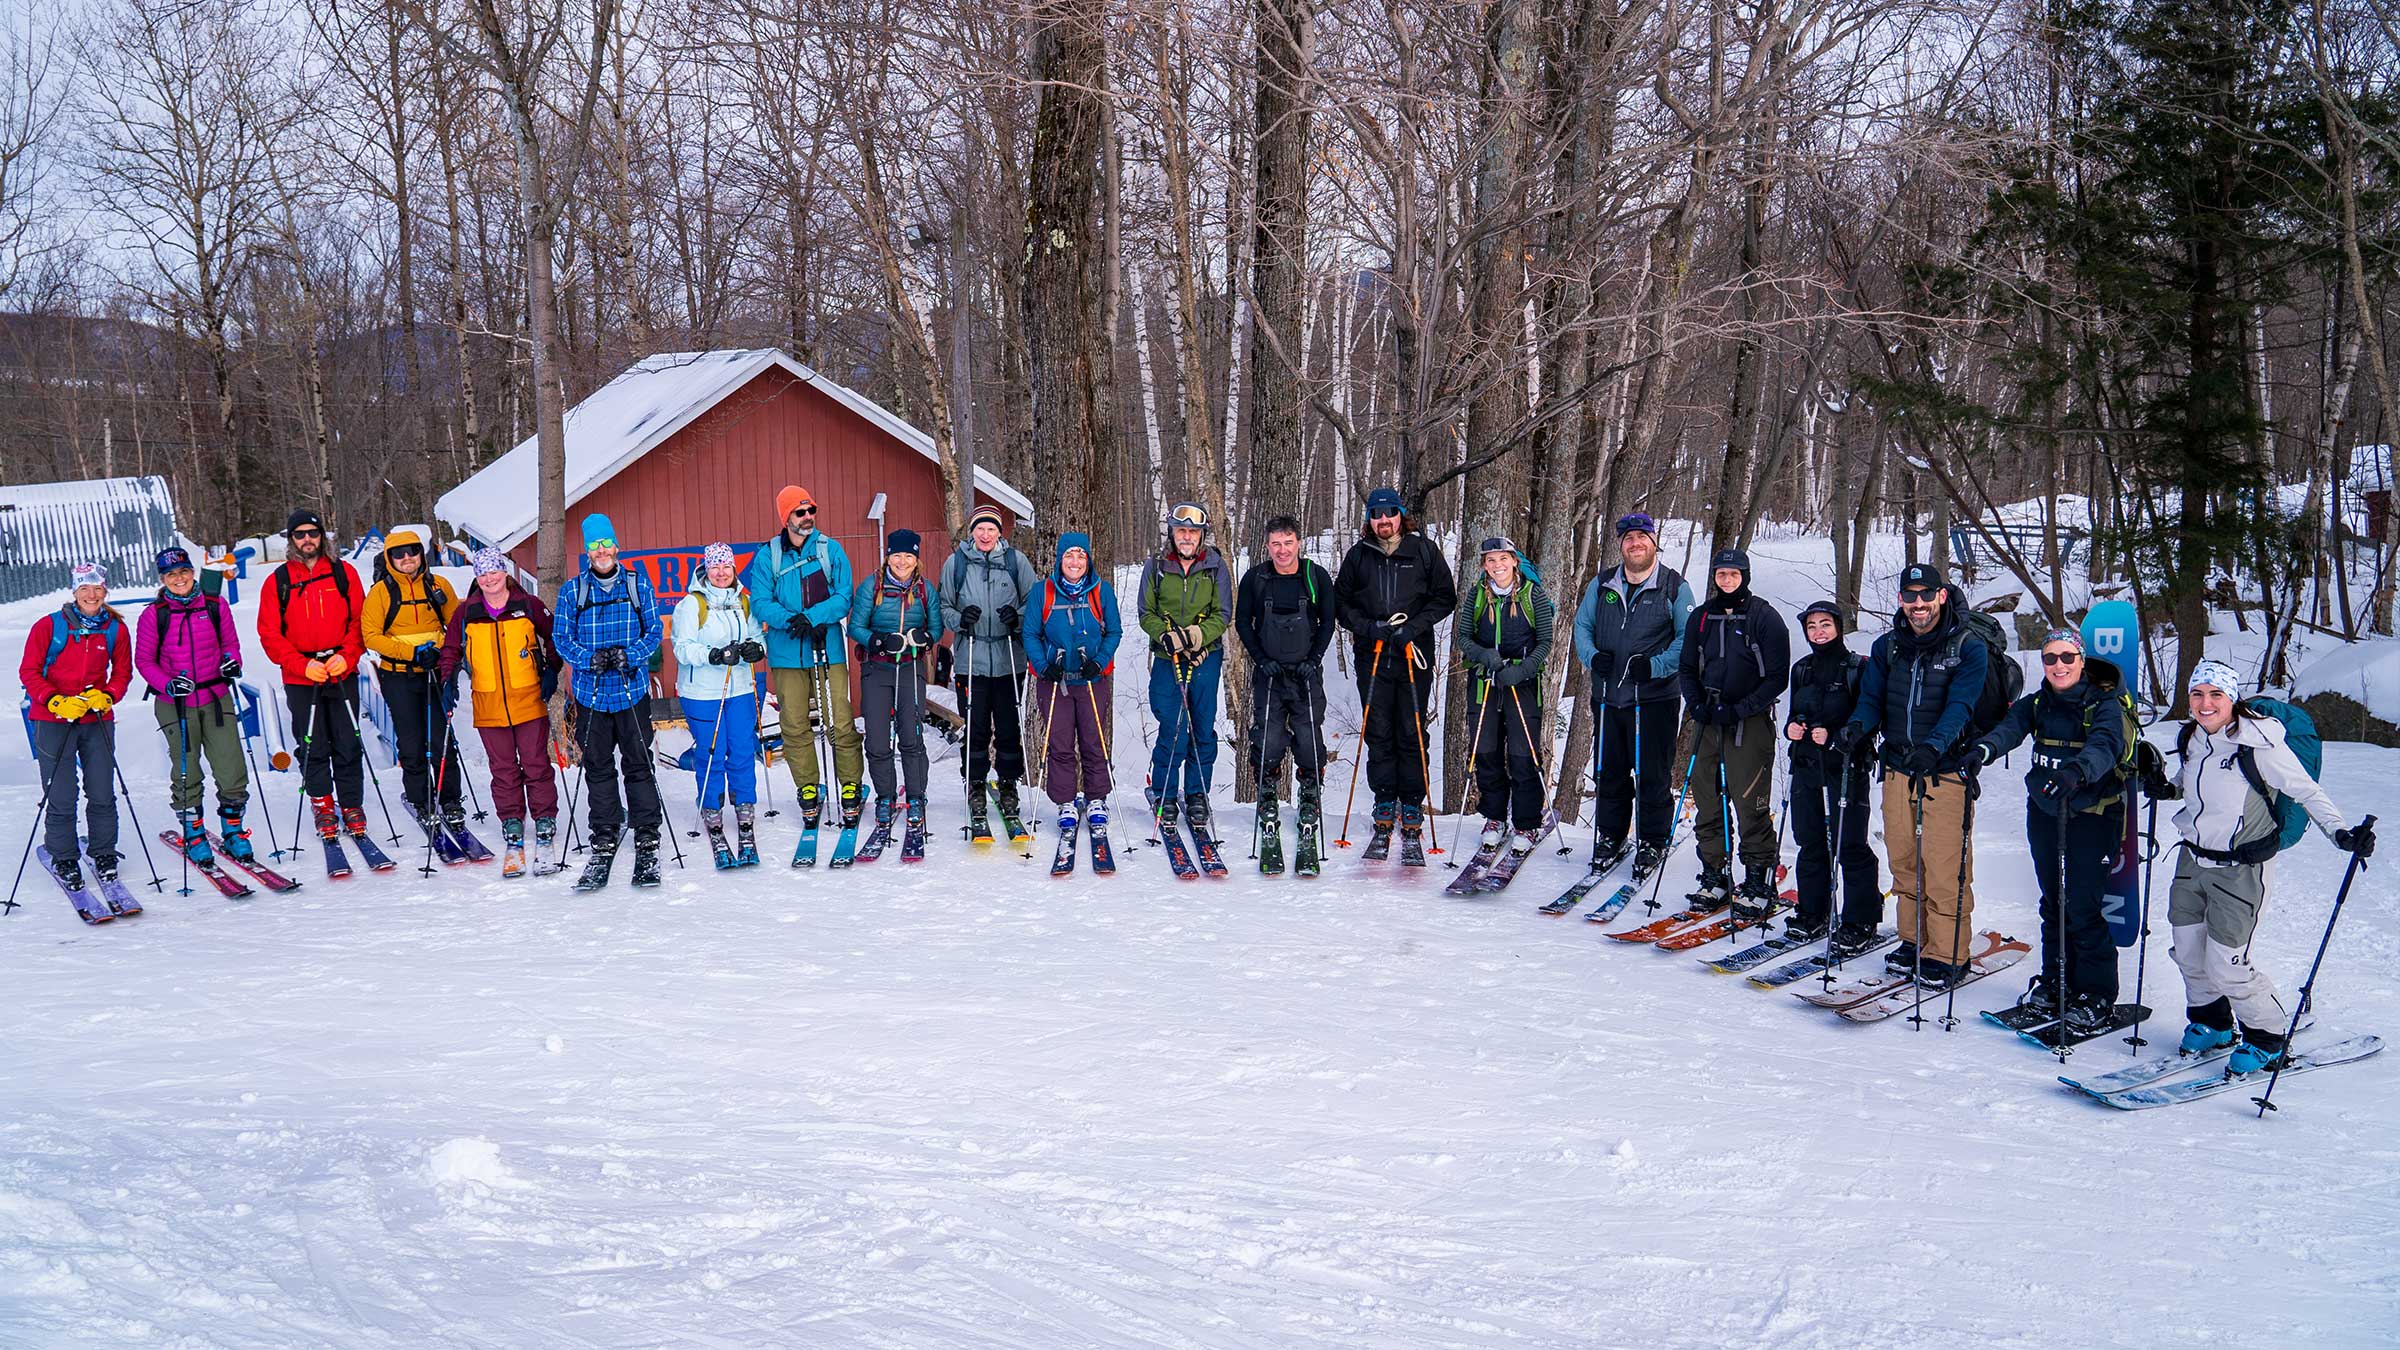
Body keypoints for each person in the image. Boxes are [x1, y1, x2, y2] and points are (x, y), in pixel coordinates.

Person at [2141, 660, 2370, 1074]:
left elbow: (2307, 791)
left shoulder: (2258, 745)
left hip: (2240, 868)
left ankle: (2267, 1037)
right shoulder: (2193, 735)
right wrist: (2168, 787)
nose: (2205, 703)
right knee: (2189, 953)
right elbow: (2196, 784)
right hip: (2192, 860)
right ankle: (2212, 1024)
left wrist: (2341, 834)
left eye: (2216, 695)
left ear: (2232, 699)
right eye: (2198, 694)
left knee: (2226, 964)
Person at [1969, 628, 2133, 1036]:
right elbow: (2010, 728)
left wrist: (2076, 772)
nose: (2058, 665)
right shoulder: (2039, 702)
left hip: (2092, 814)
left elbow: (2106, 744)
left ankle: (2096, 994)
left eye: (2066, 657)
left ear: (2081, 661)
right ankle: (2056, 981)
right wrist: (1982, 752)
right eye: (2050, 658)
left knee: (2081, 904)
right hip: (2045, 810)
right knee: (2053, 902)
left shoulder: (2103, 703)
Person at [1835, 563, 1991, 989]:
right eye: (1910, 596)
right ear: (1901, 600)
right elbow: (1871, 699)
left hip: (1943, 772)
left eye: (1926, 596)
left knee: (1943, 866)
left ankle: (1948, 952)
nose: (1918, 605)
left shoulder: (1967, 647)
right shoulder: (1889, 647)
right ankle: (1913, 939)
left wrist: (1934, 746)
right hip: (1898, 771)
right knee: (1904, 863)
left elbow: (1961, 705)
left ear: (1941, 596)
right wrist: (1856, 727)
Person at [1333, 487, 1458, 853]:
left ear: (1401, 515)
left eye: (1389, 513)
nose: (1383, 520)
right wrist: (1370, 627)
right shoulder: (1358, 556)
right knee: (1379, 730)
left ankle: (1412, 801)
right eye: (1376, 514)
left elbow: (1444, 597)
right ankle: (1384, 799)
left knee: (1412, 729)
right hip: (1371, 653)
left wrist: (1414, 627)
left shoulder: (1422, 550)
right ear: (1369, 520)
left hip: (1412, 652)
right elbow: (1341, 604)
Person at [1570, 512, 1693, 877]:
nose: (1635, 543)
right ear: (1620, 544)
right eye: (1628, 538)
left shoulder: (1674, 586)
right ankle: (1611, 836)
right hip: (1609, 696)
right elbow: (1582, 626)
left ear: (1653, 542)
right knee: (1609, 772)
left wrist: (1656, 666)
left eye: (1642, 537)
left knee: (1652, 774)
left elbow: (1688, 639)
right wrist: (1593, 658)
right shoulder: (1604, 582)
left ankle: (1653, 840)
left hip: (1654, 698)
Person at [549, 512, 667, 885]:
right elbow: (561, 638)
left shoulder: (636, 584)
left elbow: (654, 630)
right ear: (587, 551)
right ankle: (605, 828)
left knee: (638, 762)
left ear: (616, 546)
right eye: (594, 546)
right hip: (592, 693)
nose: (601, 551)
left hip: (631, 691)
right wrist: (588, 659)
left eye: (606, 544)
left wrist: (629, 656)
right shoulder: (573, 591)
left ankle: (646, 827)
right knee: (597, 765)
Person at [743, 485, 864, 834]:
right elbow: (761, 601)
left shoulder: (830, 550)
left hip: (827, 649)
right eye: (800, 512)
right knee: (794, 725)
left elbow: (844, 596)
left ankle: (850, 785)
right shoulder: (769, 556)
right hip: (785, 653)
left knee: (839, 721)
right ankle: (808, 787)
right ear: (786, 517)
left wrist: (812, 618)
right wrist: (790, 620)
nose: (808, 517)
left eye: (811, 510)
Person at [1677, 547, 1790, 918]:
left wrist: (1741, 708)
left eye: (1733, 574)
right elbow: (1687, 666)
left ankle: (1758, 879)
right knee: (1708, 798)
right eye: (1721, 575)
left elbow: (1777, 677)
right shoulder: (1703, 617)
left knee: (1749, 800)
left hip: (1748, 720)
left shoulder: (1764, 617)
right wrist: (1695, 704)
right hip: (1709, 717)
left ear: (1745, 575)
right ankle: (1715, 874)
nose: (1726, 580)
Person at [438, 548, 560, 876]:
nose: (490, 579)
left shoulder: (529, 605)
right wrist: (447, 679)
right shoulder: (466, 613)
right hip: (488, 703)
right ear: (476, 578)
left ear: (505, 573)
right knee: (503, 768)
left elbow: (554, 639)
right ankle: (512, 821)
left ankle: (545, 817)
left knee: (536, 763)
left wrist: (551, 670)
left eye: (494, 572)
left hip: (529, 699)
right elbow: (450, 650)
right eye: (483, 574)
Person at [255, 509, 370, 846]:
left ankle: (351, 804)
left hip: (339, 669)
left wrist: (346, 657)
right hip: (302, 675)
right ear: (291, 540)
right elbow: (269, 634)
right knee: (312, 744)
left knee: (347, 741)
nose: (308, 540)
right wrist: (299, 664)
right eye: (300, 534)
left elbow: (359, 621)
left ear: (322, 536)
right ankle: (322, 803)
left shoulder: (342, 572)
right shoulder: (278, 580)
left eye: (313, 533)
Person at [135, 546, 253, 865]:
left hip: (215, 696)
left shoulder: (215, 605)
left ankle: (233, 830)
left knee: (231, 767)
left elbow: (230, 644)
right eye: (171, 574)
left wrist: (231, 662)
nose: (179, 579)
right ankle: (194, 832)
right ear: (163, 578)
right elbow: (144, 661)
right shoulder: (153, 614)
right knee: (186, 769)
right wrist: (169, 684)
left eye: (184, 571)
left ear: (192, 572)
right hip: (175, 702)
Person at [20, 562, 133, 890]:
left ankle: (103, 851)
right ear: (74, 591)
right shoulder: (48, 627)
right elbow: (29, 671)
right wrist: (53, 700)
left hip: (95, 718)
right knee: (61, 791)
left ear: (105, 590)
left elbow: (123, 673)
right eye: (84, 588)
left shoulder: (114, 628)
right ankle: (64, 854)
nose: (91, 594)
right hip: (53, 718)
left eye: (97, 588)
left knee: (100, 788)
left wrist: (108, 696)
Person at [1234, 515, 1338, 846]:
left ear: (1299, 543)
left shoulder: (1315, 576)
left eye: (1288, 543)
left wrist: (1315, 659)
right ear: (1268, 545)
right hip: (1270, 673)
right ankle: (1267, 791)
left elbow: (1328, 621)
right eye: (1276, 544)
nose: (1282, 550)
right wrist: (1260, 660)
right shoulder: (1256, 578)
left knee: (1308, 735)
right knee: (1270, 736)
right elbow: (1242, 623)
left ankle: (1309, 790)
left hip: (1306, 672)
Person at [1453, 536, 1557, 862]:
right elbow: (1463, 637)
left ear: (1514, 561)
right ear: (1484, 565)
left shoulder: (1531, 594)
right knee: (1485, 751)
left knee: (1523, 754)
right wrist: (1484, 655)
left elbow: (1545, 641)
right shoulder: (1477, 595)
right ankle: (1494, 817)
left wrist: (1523, 669)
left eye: (1503, 559)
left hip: (1522, 684)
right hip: (1485, 682)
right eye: (1490, 560)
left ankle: (1526, 823)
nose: (1497, 566)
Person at [1782, 600, 1878, 952]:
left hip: (1845, 768)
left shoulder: (1857, 668)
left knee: (1848, 843)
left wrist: (1837, 735)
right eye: (1812, 626)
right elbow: (1794, 712)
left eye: (1825, 624)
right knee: (1809, 840)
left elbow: (1869, 717)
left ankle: (1859, 919)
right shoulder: (1802, 668)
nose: (1818, 632)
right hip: (1807, 765)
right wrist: (1792, 729)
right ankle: (1813, 911)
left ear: (1838, 627)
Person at [939, 504, 1040, 835]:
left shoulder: (1015, 562)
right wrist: (959, 619)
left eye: (991, 529)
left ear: (1000, 532)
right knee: (976, 724)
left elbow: (1034, 601)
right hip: (972, 655)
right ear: (972, 532)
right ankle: (976, 783)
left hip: (1010, 653)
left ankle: (1009, 783)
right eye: (980, 529)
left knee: (1009, 724)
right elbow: (944, 606)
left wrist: (1018, 618)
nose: (985, 535)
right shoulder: (957, 564)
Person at [361, 527, 465, 838]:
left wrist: (443, 654)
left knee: (441, 739)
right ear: (390, 558)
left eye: (413, 551)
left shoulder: (438, 585)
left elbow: (457, 625)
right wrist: (410, 652)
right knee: (411, 740)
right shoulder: (380, 593)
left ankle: (449, 800)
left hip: (434, 672)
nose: (407, 558)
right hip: (399, 675)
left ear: (422, 554)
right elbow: (371, 636)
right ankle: (421, 798)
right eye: (399, 553)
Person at [1137, 501, 1234, 835]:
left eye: (1193, 531)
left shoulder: (1215, 566)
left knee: (1202, 729)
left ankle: (1196, 793)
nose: (1187, 537)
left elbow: (1223, 614)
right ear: (1172, 533)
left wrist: (1196, 638)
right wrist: (1165, 637)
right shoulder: (1157, 566)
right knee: (1173, 729)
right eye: (1182, 531)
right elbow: (1145, 611)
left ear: (1202, 535)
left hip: (1205, 659)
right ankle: (1165, 793)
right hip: (1167, 660)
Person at [672, 542, 768, 869]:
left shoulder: (744, 601)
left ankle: (744, 804)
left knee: (742, 747)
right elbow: (681, 648)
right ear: (706, 569)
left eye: (726, 566)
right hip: (702, 691)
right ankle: (712, 807)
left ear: (733, 568)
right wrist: (712, 655)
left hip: (739, 687)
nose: (721, 572)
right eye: (715, 567)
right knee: (713, 750)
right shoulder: (691, 604)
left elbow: (758, 635)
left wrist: (757, 649)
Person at [1024, 532, 1122, 835]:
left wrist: (1100, 661)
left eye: (1081, 555)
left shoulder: (1100, 591)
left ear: (1088, 559)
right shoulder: (1043, 591)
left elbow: (1114, 632)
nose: (1075, 561)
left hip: (1092, 678)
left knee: (1094, 741)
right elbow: (1030, 633)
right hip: (1055, 681)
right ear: (1060, 559)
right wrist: (1042, 666)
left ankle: (1096, 799)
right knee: (1060, 743)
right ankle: (1065, 801)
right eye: (1069, 555)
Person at [850, 528, 946, 834]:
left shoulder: (925, 589)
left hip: (909, 668)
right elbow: (855, 626)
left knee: (911, 735)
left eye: (908, 555)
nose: (902, 561)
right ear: (887, 556)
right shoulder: (871, 586)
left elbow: (937, 626)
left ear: (916, 558)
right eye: (896, 555)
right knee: (877, 738)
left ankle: (916, 796)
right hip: (877, 669)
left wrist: (926, 637)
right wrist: (877, 641)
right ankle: (885, 796)